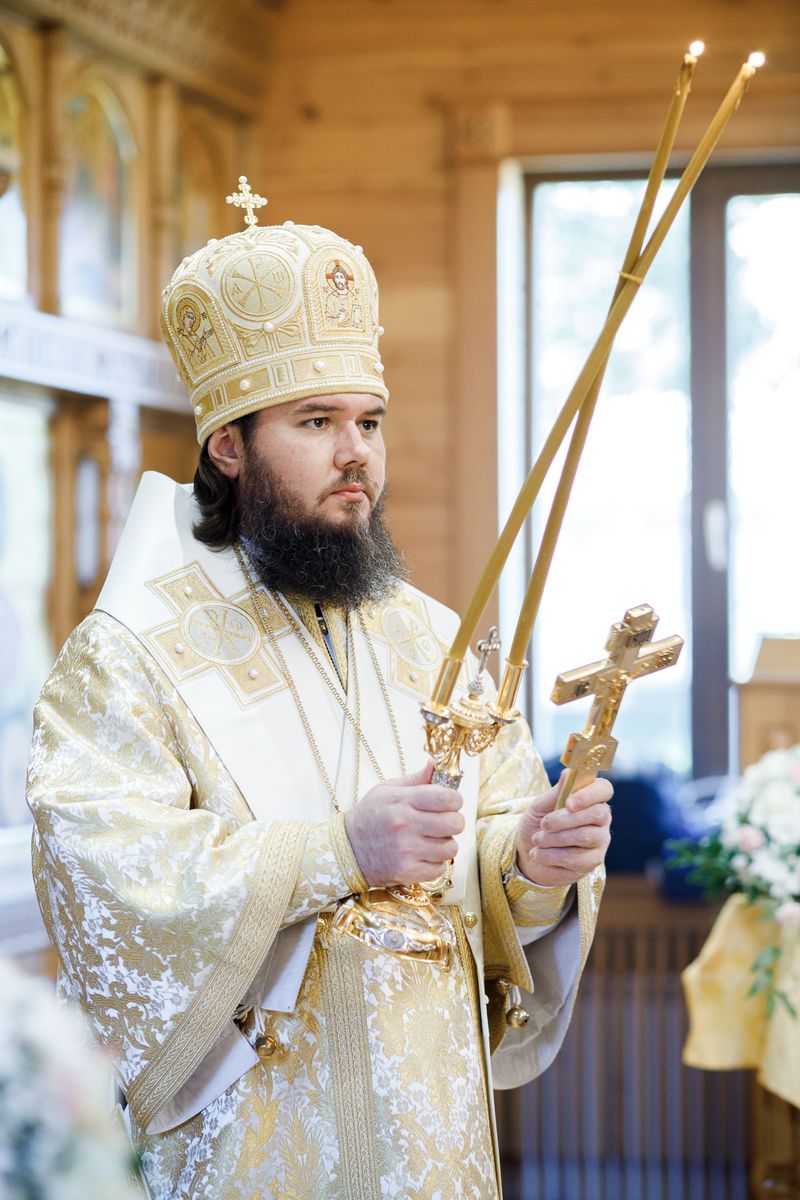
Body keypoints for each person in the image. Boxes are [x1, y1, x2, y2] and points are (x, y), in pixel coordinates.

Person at [27, 186, 612, 1200]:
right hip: (257, 1147)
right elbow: (106, 869)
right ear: (228, 445)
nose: (357, 455)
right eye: (316, 422)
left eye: (369, 422)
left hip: (431, 1141)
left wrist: (530, 861)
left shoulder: (426, 634)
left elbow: (478, 857)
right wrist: (337, 852)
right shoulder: (129, 652)